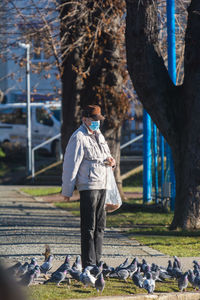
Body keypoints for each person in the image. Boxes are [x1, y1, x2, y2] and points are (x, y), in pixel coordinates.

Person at [62, 104, 115, 268]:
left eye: (99, 120)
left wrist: (112, 162)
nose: (97, 123)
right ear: (85, 119)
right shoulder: (78, 137)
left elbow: (107, 157)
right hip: (88, 186)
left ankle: (98, 261)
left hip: (103, 185)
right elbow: (71, 165)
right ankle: (89, 264)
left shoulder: (99, 135)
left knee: (100, 227)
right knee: (88, 228)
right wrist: (67, 190)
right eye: (94, 120)